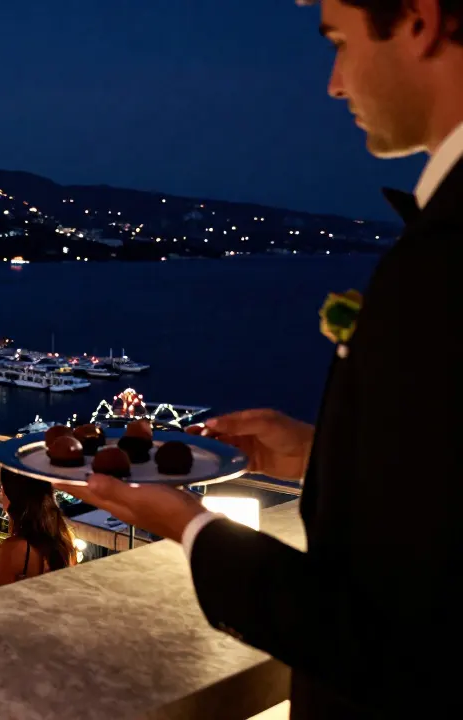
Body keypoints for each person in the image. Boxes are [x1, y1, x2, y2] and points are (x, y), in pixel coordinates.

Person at [65, 2, 457, 715]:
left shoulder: (441, 265)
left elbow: (380, 637)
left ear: (421, 20)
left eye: (339, 42)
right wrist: (321, 452)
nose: (335, 84)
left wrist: (188, 526)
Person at [0, 472, 76, 589]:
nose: (1, 494)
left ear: (14, 497)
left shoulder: (13, 548)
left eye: (3, 489)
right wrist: (0, 566)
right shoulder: (64, 539)